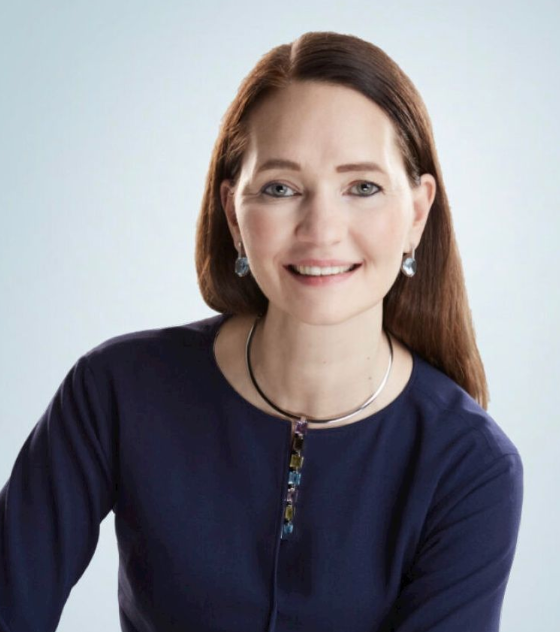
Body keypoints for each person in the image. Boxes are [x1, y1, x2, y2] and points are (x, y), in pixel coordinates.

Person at [0, 31, 523, 632]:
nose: (321, 229)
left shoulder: (471, 466)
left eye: (363, 187)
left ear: (417, 212)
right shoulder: (115, 391)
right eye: (280, 188)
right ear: (233, 214)